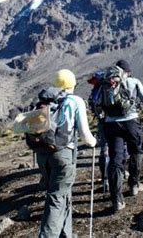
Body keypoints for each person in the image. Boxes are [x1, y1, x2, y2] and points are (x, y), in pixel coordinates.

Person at [37, 69, 96, 238]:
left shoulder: (45, 101)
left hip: (43, 155)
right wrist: (93, 142)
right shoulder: (75, 101)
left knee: (62, 194)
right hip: (63, 154)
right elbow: (85, 134)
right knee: (56, 198)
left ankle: (65, 233)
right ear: (73, 84)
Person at [102, 60, 143, 212]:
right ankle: (134, 185)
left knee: (115, 159)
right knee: (136, 151)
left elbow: (97, 105)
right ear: (127, 71)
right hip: (131, 121)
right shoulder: (133, 81)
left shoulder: (106, 83)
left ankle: (117, 199)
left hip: (111, 124)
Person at [87, 71, 110, 192]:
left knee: (104, 150)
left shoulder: (97, 90)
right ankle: (117, 175)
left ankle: (105, 179)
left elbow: (93, 106)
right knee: (120, 148)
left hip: (102, 122)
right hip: (116, 121)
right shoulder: (109, 87)